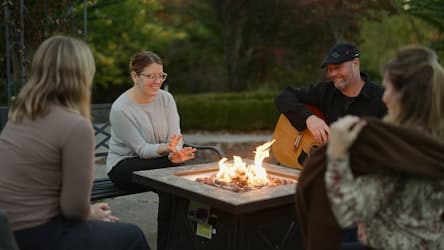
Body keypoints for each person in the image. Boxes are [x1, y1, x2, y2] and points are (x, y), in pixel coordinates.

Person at [0, 36, 150, 250]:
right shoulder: (75, 126)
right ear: (82, 75)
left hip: (6, 230)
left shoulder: (20, 116)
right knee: (131, 236)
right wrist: (92, 212)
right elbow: (74, 209)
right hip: (34, 234)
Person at [325, 45, 444, 249]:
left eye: (388, 88)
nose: (384, 97)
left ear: (404, 97)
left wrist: (336, 153)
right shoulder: (434, 139)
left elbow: (347, 212)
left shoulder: (399, 150)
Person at [105, 51, 196, 250]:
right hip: (125, 166)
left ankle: (176, 245)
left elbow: (176, 136)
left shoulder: (167, 99)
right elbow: (142, 149)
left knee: (173, 184)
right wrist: (169, 151)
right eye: (151, 76)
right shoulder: (121, 109)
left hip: (161, 163)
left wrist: (176, 151)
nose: (157, 81)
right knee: (174, 176)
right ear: (134, 76)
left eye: (161, 76)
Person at [274, 42, 387, 144]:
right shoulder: (324, 91)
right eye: (330, 69)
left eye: (338, 67)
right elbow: (283, 97)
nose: (333, 74)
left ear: (355, 63)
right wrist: (309, 118)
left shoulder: (382, 98)